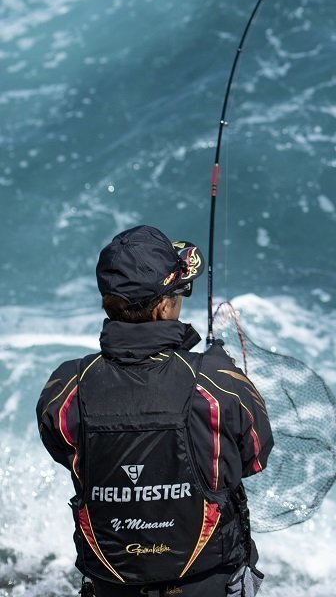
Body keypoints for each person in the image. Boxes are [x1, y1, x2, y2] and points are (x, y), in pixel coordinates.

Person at [36, 225, 273, 597]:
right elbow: (255, 456)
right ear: (164, 307)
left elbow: (64, 450)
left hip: (111, 586)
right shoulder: (216, 382)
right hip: (209, 584)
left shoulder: (67, 388)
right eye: (180, 292)